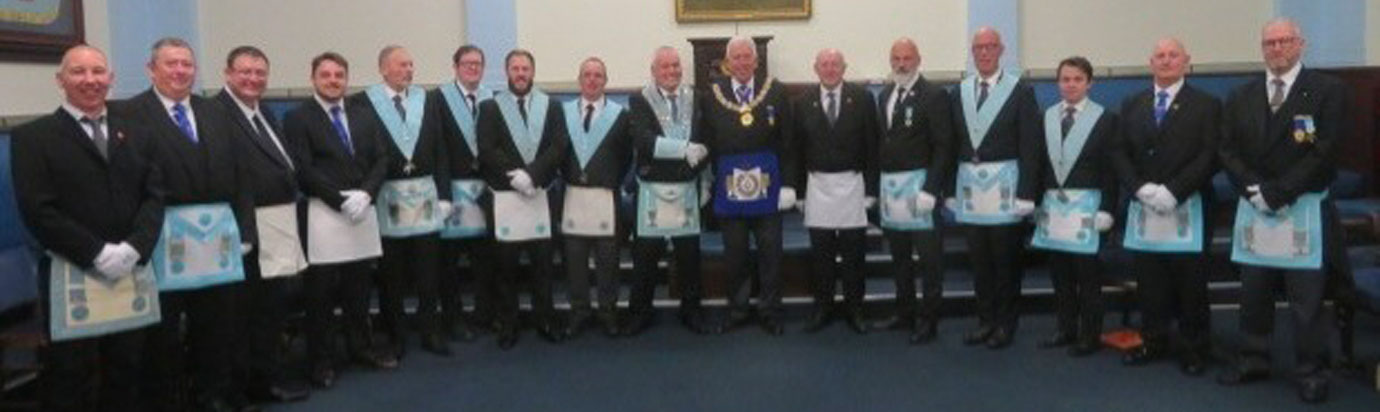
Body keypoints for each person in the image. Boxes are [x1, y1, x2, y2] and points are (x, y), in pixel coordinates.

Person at [12, 45, 164, 412]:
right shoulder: (33, 137)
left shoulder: (140, 133)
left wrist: (134, 247)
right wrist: (96, 252)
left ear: (110, 79)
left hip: (131, 268)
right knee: (70, 375)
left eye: (98, 72)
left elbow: (155, 196)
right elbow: (38, 210)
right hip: (71, 270)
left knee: (127, 368)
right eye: (78, 72)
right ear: (60, 80)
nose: (90, 80)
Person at [120, 37, 259, 412]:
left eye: (187, 64)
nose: (180, 71)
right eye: (171, 64)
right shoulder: (129, 114)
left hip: (219, 241)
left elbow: (242, 175)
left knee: (216, 326)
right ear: (152, 69)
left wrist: (246, 229)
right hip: (161, 243)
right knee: (161, 335)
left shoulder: (215, 112)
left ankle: (212, 395)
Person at [1216, 18, 1351, 404]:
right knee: (1253, 292)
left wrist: (1279, 192)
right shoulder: (1240, 94)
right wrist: (1252, 189)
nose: (1276, 49)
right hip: (1256, 207)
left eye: (1284, 41)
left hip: (1301, 207)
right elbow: (1227, 149)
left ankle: (1311, 370)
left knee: (1306, 300)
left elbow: (1326, 151)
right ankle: (1253, 358)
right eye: (1269, 43)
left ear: (1300, 45)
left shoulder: (1327, 91)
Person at [284, 52, 399, 390]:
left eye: (339, 75)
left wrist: (367, 194)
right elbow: (302, 168)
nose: (333, 80)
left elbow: (381, 158)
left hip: (363, 210)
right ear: (313, 78)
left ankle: (360, 348)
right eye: (326, 75)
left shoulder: (364, 115)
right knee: (319, 295)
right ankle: (320, 361)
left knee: (358, 289)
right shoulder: (298, 117)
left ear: (347, 79)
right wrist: (339, 199)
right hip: (324, 212)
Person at [1111, 38, 1219, 376]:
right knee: (1150, 280)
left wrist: (1175, 190)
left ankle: (1194, 347)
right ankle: (1154, 339)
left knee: (1191, 283)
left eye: (1174, 55)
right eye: (1160, 55)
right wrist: (1140, 188)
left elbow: (1211, 154)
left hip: (1189, 203)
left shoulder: (1207, 104)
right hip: (1145, 206)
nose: (1167, 60)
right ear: (1151, 62)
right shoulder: (1132, 103)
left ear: (1187, 61)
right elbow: (1119, 151)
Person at [213, 45, 312, 403]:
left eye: (259, 73)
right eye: (245, 72)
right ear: (227, 74)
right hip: (244, 228)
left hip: (277, 223)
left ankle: (264, 378)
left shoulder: (264, 112)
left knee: (270, 310)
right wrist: (242, 229)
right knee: (241, 314)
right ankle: (239, 387)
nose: (253, 79)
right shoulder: (216, 114)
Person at [349, 45, 451, 357]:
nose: (408, 70)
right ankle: (396, 335)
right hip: (386, 197)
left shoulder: (428, 100)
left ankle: (430, 331)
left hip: (425, 196)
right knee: (391, 273)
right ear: (383, 69)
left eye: (411, 64)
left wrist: (445, 194)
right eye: (401, 65)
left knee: (428, 272)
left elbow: (441, 149)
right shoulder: (362, 103)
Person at [948, 27, 1041, 349]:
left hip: (1007, 188)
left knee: (1006, 262)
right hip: (971, 189)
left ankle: (1006, 324)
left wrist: (1028, 193)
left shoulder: (1020, 91)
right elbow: (950, 144)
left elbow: (1031, 145)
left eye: (990, 47)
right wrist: (949, 188)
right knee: (980, 262)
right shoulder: (959, 92)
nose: (984, 53)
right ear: (972, 53)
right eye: (979, 48)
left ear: (1001, 50)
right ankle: (985, 321)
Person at [697, 35, 796, 335]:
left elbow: (788, 141)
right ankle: (738, 309)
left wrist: (789, 185)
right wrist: (705, 183)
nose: (741, 62)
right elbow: (707, 141)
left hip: (768, 186)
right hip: (728, 187)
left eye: (746, 57)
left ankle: (770, 310)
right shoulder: (712, 94)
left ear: (756, 60)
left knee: (770, 251)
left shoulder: (776, 92)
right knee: (735, 251)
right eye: (736, 57)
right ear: (728, 63)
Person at [477, 49, 570, 348]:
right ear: (507, 72)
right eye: (515, 68)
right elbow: (487, 149)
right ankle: (509, 324)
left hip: (540, 193)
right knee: (505, 267)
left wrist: (533, 175)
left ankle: (546, 318)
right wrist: (513, 176)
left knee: (543, 264)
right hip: (506, 197)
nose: (520, 73)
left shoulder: (551, 106)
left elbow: (558, 147)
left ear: (533, 71)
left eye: (525, 68)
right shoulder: (491, 107)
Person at [1029, 56, 1118, 357]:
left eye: (1077, 79)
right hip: (1054, 208)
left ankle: (1089, 335)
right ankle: (1065, 329)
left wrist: (1108, 208)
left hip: (1087, 209)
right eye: (1065, 79)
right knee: (1060, 274)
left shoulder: (1105, 119)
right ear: (1058, 83)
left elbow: (1111, 169)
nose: (1070, 85)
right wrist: (1035, 200)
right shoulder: (1046, 117)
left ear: (1089, 82)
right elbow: (1039, 164)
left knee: (1087, 277)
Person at [625, 46, 714, 336]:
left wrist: (704, 177)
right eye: (664, 67)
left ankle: (692, 311)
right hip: (652, 189)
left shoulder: (697, 97)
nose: (672, 71)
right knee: (645, 259)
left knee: (690, 258)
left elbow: (706, 141)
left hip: (687, 188)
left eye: (675, 65)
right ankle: (640, 313)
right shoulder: (639, 100)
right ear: (654, 71)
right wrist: (684, 149)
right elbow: (644, 141)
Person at [872, 37, 955, 344]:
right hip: (892, 191)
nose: (901, 64)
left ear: (919, 60)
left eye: (907, 58)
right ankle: (904, 312)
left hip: (922, 192)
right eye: (896, 58)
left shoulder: (934, 96)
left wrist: (933, 189)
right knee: (900, 257)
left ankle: (929, 319)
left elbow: (944, 146)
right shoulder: (884, 95)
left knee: (930, 260)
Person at [792, 48, 877, 335]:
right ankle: (822, 308)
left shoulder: (862, 99)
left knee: (855, 255)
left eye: (835, 64)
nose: (830, 69)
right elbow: (796, 151)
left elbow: (872, 146)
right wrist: (799, 193)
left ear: (844, 67)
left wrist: (872, 190)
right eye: (824, 64)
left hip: (853, 185)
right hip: (817, 186)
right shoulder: (802, 102)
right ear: (815, 68)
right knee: (821, 256)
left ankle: (856, 309)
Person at [426, 44, 499, 340]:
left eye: (478, 64)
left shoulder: (491, 98)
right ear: (455, 66)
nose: (473, 68)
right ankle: (454, 319)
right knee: (450, 263)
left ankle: (485, 315)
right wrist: (442, 194)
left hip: (483, 192)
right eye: (467, 63)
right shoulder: (437, 99)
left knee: (486, 260)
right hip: (452, 191)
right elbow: (437, 148)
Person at [559, 57, 633, 338]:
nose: (592, 80)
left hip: (605, 195)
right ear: (579, 80)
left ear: (606, 81)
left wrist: (611, 179)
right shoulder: (562, 113)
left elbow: (627, 155)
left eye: (598, 75)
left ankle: (607, 312)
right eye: (587, 75)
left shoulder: (620, 115)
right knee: (575, 260)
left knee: (608, 260)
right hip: (574, 195)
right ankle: (579, 311)